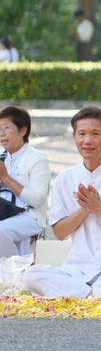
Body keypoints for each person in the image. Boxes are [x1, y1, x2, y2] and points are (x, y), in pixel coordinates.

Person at [23, 107, 101, 299]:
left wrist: (100, 209)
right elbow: (59, 232)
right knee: (32, 275)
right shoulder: (66, 178)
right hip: (79, 269)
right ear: (74, 136)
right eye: (82, 134)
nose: (87, 141)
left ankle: (84, 296)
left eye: (95, 134)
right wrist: (84, 210)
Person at [0, 106, 50, 257]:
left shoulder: (38, 158)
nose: (1, 134)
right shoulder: (2, 157)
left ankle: (13, 273)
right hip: (4, 213)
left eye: (6, 128)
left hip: (30, 216)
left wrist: (6, 178)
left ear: (23, 130)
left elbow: (37, 200)